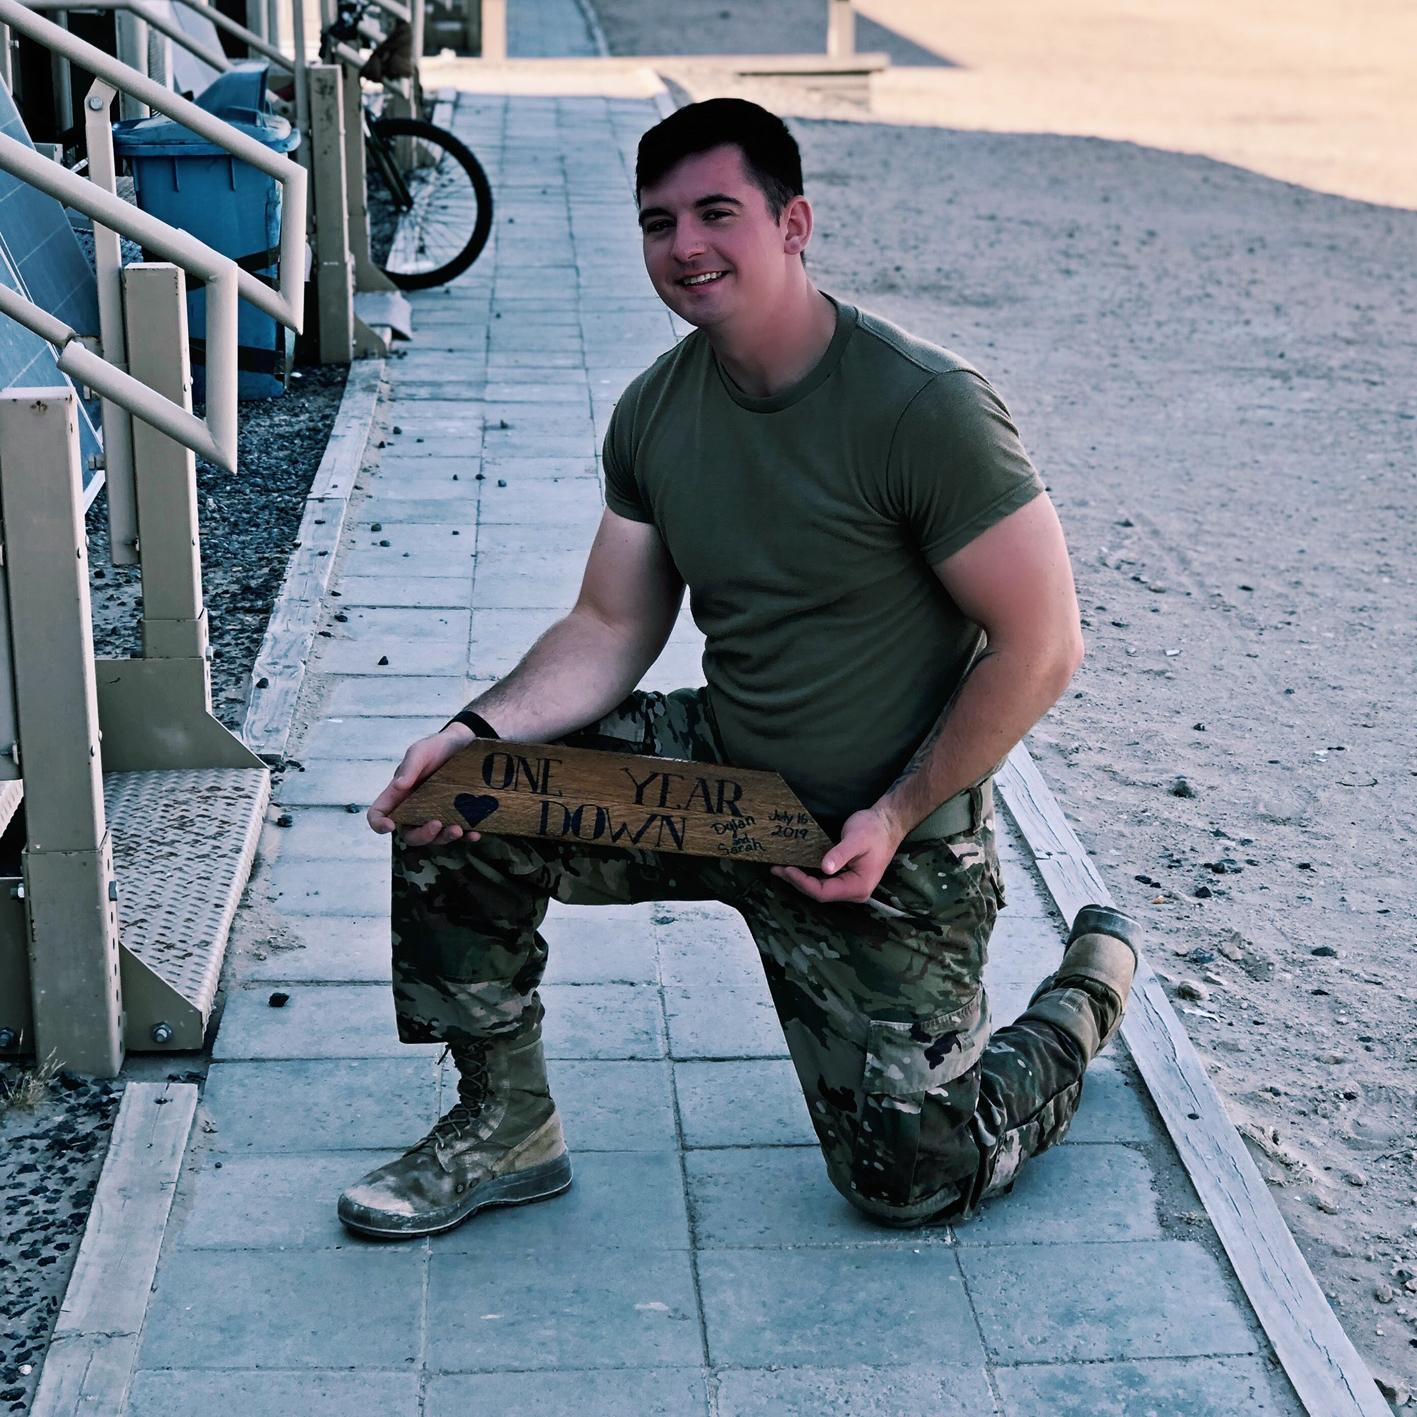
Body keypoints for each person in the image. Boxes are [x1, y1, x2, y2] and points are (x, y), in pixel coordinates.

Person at [338, 98, 1137, 1238]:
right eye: (658, 222)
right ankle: (503, 1123)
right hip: (726, 789)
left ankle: (1086, 990)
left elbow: (1042, 645)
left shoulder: (923, 408)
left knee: (911, 1179)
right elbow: (608, 625)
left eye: (717, 213)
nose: (685, 246)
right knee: (454, 800)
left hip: (882, 828)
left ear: (792, 223)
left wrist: (897, 810)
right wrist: (475, 733)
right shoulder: (656, 413)